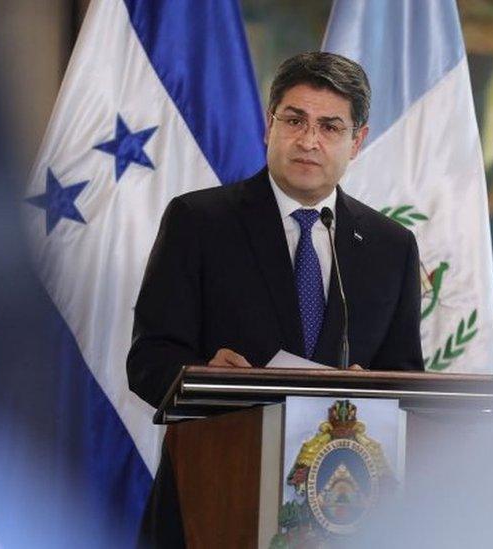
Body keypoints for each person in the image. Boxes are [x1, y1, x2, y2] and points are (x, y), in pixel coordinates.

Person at [127, 51, 424, 409]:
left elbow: (405, 382)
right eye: (295, 121)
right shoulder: (197, 221)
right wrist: (206, 377)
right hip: (223, 455)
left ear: (357, 142)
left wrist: (373, 394)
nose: (309, 141)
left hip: (340, 460)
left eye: (329, 127)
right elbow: (148, 360)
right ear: (270, 126)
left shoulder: (391, 246)